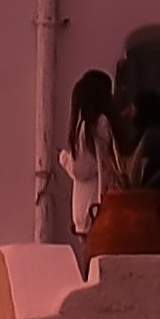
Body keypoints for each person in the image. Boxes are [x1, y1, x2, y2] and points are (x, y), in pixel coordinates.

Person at [88, 86, 160, 257]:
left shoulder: (151, 139)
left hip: (149, 210)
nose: (129, 113)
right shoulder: (154, 137)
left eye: (133, 108)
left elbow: (139, 176)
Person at [59, 67, 117, 253]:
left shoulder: (87, 127)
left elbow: (81, 170)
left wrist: (64, 158)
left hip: (89, 209)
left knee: (90, 264)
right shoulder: (108, 124)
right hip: (106, 205)